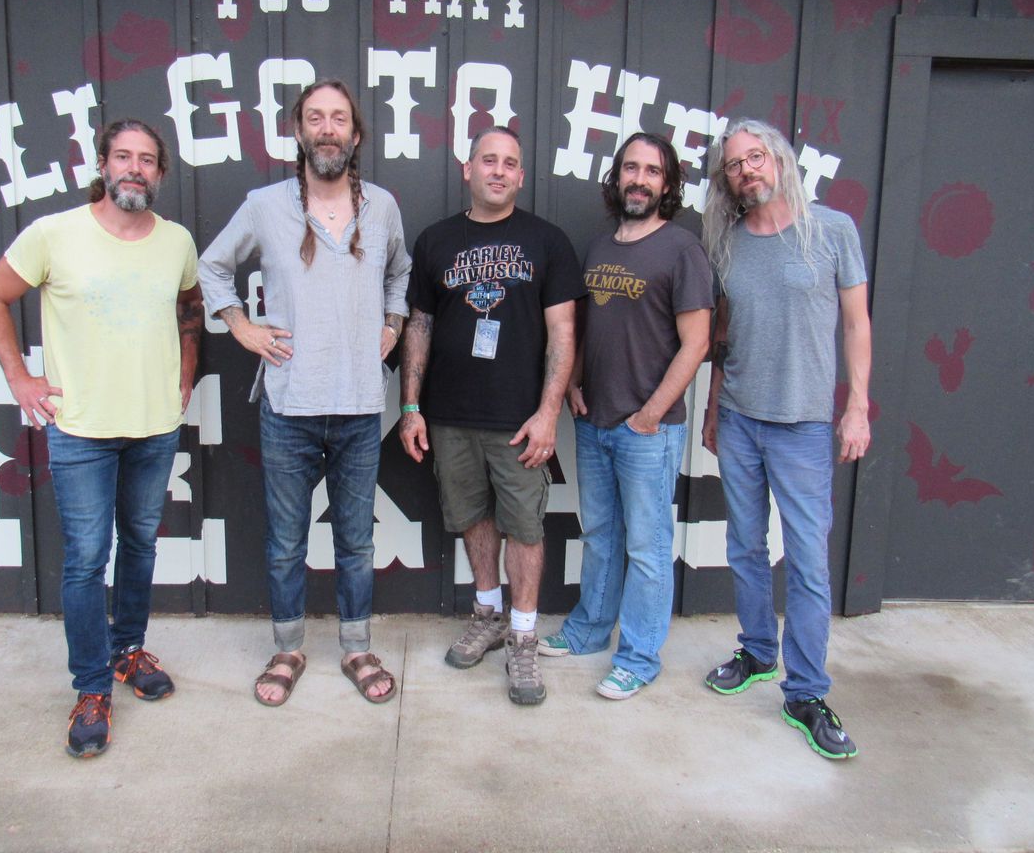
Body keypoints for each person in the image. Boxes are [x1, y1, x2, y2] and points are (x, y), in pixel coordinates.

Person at [0, 119, 202, 758]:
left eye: (147, 160)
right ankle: (92, 687)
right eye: (123, 157)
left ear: (160, 173)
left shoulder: (177, 241)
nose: (135, 168)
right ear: (103, 165)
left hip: (155, 426)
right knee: (84, 560)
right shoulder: (54, 234)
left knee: (140, 543)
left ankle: (128, 650)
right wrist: (18, 377)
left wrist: (185, 373)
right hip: (79, 430)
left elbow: (190, 308)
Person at [198, 79, 410, 707]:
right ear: (298, 131)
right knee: (287, 541)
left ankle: (357, 648)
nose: (327, 129)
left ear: (356, 134)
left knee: (356, 541)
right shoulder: (265, 205)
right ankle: (288, 649)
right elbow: (212, 266)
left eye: (338, 119)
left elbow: (400, 271)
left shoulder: (382, 207)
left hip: (359, 405)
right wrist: (242, 327)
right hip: (289, 403)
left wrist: (393, 324)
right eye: (315, 118)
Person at [699, 118, 871, 760]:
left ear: (779, 160)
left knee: (806, 562)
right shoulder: (727, 243)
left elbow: (856, 324)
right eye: (734, 164)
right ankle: (757, 652)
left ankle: (805, 693)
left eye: (755, 157)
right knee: (745, 546)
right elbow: (723, 335)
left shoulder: (832, 230)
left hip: (803, 424)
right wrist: (713, 409)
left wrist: (857, 407)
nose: (746, 170)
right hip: (740, 418)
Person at [400, 126, 584, 706]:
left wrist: (549, 413)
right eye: (488, 160)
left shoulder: (546, 240)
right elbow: (419, 326)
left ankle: (523, 636)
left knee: (525, 527)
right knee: (473, 518)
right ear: (468, 168)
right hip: (450, 415)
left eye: (509, 163)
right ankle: (488, 614)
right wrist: (410, 406)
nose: (498, 171)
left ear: (521, 176)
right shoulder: (435, 241)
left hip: (519, 419)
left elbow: (563, 333)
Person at [538, 133, 712, 699]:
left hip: (647, 430)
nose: (639, 180)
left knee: (647, 549)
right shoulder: (598, 248)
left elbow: (697, 342)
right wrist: (574, 382)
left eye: (652, 171)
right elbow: (587, 327)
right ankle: (589, 631)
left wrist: (651, 414)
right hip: (595, 422)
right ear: (617, 179)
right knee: (601, 536)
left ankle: (638, 658)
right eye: (630, 169)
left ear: (668, 184)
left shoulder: (682, 249)